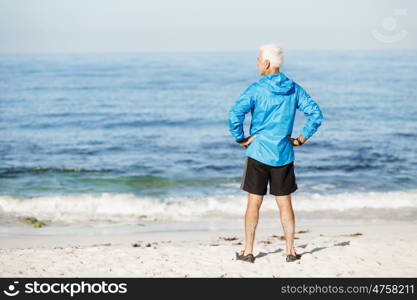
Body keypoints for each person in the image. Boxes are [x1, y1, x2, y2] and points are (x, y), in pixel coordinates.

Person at [228, 44, 324, 263]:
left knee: (254, 202)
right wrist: (301, 138)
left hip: (258, 152)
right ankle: (290, 251)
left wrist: (240, 138)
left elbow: (235, 114)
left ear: (267, 63)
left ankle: (248, 251)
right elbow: (316, 115)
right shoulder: (294, 88)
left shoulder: (255, 89)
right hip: (283, 153)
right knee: (285, 203)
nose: (257, 63)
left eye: (259, 59)